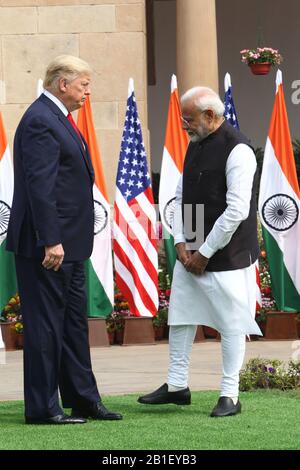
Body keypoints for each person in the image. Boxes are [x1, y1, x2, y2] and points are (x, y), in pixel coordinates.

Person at [6, 55, 122, 425]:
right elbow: (41, 187)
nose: (88, 91)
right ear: (62, 84)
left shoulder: (58, 118)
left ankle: (83, 399)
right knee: (45, 327)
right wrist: (50, 240)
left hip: (69, 245)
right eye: (84, 84)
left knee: (72, 324)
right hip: (47, 247)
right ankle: (42, 407)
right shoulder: (41, 120)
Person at [138, 86, 262, 417]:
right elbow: (182, 195)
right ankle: (177, 386)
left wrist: (204, 252)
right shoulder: (194, 145)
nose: (183, 124)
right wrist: (181, 242)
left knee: (231, 323)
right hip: (191, 250)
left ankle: (230, 395)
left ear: (210, 116)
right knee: (181, 316)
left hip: (227, 255)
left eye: (188, 118)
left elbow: (236, 210)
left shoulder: (238, 150)